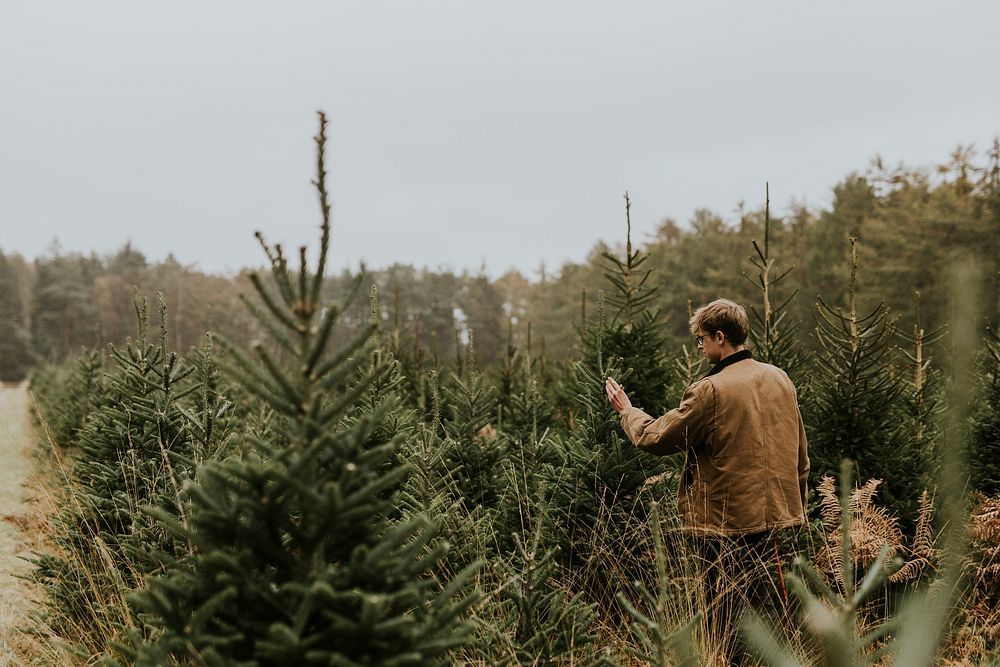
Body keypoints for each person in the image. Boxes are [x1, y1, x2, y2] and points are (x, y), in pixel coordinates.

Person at [605, 298, 809, 665]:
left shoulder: (711, 390)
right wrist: (796, 505)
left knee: (725, 612)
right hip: (776, 516)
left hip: (724, 524)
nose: (700, 348)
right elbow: (800, 454)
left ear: (720, 337)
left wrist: (627, 411)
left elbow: (657, 438)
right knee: (772, 609)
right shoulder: (781, 378)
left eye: (701, 340)